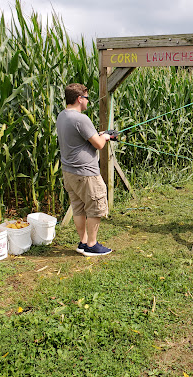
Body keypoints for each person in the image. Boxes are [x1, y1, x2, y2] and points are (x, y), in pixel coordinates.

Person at [56, 83, 112, 256]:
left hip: (69, 172)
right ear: (80, 99)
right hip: (85, 173)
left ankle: (83, 242)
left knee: (78, 207)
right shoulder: (80, 119)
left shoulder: (62, 116)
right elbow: (99, 144)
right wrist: (107, 136)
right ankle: (92, 245)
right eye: (87, 98)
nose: (88, 102)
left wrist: (99, 135)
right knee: (95, 206)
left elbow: (80, 138)